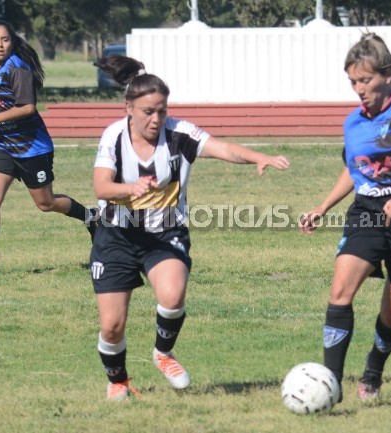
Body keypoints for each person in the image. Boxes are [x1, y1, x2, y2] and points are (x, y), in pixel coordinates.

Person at [90, 55, 290, 400]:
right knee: (112, 326)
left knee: (172, 295)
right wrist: (130, 190)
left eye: (161, 111)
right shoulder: (113, 136)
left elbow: (222, 148)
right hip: (116, 237)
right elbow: (101, 187)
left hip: (165, 235)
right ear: (128, 108)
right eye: (147, 112)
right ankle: (118, 380)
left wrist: (258, 157)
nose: (155, 119)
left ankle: (163, 354)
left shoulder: (180, 133)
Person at [299, 32, 391, 404]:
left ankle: (374, 369)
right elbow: (355, 170)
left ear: (386, 75)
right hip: (367, 212)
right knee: (340, 290)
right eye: (352, 82)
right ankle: (329, 386)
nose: (358, 89)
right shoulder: (354, 123)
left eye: (364, 80)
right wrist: (322, 207)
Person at [0, 19, 97, 276]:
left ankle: (92, 218)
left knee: (45, 203)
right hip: (3, 147)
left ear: (12, 43)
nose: (0, 45)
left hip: (33, 148)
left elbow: (27, 108)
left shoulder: (18, 69)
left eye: (5, 39)